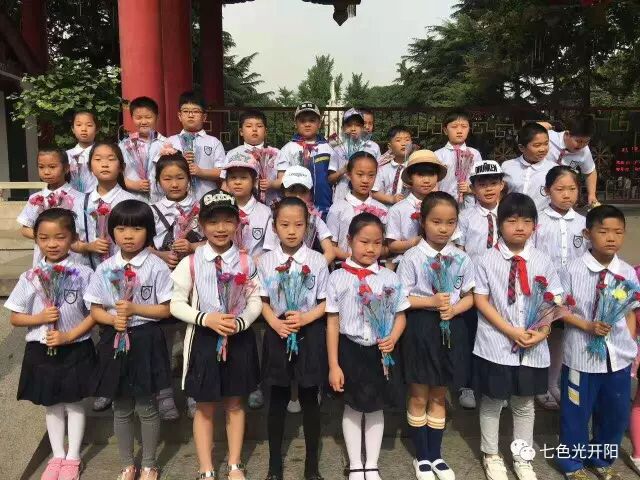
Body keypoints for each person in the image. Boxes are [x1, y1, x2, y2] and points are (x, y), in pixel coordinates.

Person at [170, 189, 263, 480]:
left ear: (237, 223)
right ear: (201, 225)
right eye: (212, 222)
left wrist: (241, 323)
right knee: (205, 406)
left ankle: (234, 464)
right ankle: (206, 467)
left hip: (238, 339)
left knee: (235, 404)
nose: (220, 228)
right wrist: (205, 319)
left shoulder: (246, 262)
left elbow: (255, 300)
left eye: (227, 221)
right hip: (204, 339)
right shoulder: (191, 262)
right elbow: (175, 303)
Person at [473, 192, 563, 480]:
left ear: (535, 225)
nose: (519, 227)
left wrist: (543, 331)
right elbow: (481, 300)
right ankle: (491, 454)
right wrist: (510, 330)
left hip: (533, 346)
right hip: (496, 344)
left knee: (524, 403)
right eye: (512, 221)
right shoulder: (486, 259)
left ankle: (522, 457)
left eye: (526, 221)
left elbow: (553, 300)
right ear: (500, 224)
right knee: (492, 401)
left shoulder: (542, 260)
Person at [84, 200, 173, 480]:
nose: (128, 235)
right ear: (111, 232)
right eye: (121, 229)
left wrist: (136, 309)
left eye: (137, 229)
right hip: (114, 339)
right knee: (121, 406)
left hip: (146, 339)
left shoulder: (156, 267)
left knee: (146, 406)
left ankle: (149, 464)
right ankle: (127, 464)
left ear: (149, 232)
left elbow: (166, 309)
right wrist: (112, 320)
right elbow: (95, 308)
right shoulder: (105, 268)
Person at [5, 208, 96, 480]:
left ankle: (73, 457)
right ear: (36, 239)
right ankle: (57, 456)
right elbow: (15, 317)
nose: (52, 244)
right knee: (52, 404)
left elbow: (95, 313)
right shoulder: (30, 276)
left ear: (73, 239)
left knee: (74, 402)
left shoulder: (83, 274)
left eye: (60, 237)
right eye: (44, 238)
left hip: (75, 347)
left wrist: (69, 335)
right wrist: (40, 318)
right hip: (40, 349)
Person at [398, 192, 475, 480]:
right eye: (436, 222)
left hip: (451, 326)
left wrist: (454, 309)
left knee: (440, 395)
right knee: (419, 394)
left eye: (450, 222)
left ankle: (436, 455)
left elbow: (470, 295)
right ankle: (422, 456)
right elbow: (402, 298)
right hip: (421, 327)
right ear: (423, 222)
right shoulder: (412, 257)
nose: (444, 228)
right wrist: (430, 302)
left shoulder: (461, 258)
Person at [327, 212, 409, 480]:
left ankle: (371, 464)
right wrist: (334, 365)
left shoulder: (389, 278)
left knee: (376, 406)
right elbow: (332, 322)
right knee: (351, 407)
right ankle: (355, 464)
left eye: (377, 243)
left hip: (379, 350)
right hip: (349, 350)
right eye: (364, 242)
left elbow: (400, 315)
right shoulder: (337, 277)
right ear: (349, 240)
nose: (370, 248)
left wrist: (393, 337)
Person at [557, 205, 637, 480]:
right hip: (581, 357)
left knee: (615, 413)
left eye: (618, 232)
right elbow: (560, 310)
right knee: (576, 414)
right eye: (603, 232)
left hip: (618, 359)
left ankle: (602, 459)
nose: (611, 238)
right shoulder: (572, 270)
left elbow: (630, 313)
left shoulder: (627, 272)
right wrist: (587, 326)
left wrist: (630, 346)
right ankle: (572, 463)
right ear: (587, 233)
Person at [257, 197, 329, 480]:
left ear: (307, 226)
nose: (291, 231)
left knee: (311, 399)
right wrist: (275, 322)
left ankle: (311, 467)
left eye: (298, 225)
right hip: (278, 332)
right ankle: (275, 466)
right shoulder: (265, 261)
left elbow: (325, 302)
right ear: (274, 227)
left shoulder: (317, 260)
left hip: (309, 333)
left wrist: (306, 318)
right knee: (277, 399)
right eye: (284, 224)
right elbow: (262, 300)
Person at [150, 152, 204, 421]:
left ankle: (194, 393)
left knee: (192, 336)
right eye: (167, 178)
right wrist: (163, 255)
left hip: (194, 280)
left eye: (180, 177)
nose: (174, 183)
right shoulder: (151, 209)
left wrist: (192, 247)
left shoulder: (201, 208)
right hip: (163, 279)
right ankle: (164, 394)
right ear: (158, 181)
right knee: (164, 339)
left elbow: (216, 240)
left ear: (189, 179)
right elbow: (141, 244)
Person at [533, 166, 587, 411]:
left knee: (560, 340)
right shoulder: (538, 222)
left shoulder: (583, 223)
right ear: (547, 191)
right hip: (542, 292)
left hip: (572, 294)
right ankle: (538, 386)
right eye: (560, 189)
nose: (567, 194)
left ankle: (552, 383)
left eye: (572, 189)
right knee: (540, 336)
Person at [456, 160, 506, 410]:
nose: (488, 189)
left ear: (502, 185)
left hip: (501, 286)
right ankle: (467, 385)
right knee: (470, 334)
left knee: (497, 336)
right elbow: (460, 251)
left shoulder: (508, 214)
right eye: (482, 184)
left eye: (493, 183)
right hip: (474, 287)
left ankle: (494, 386)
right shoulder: (465, 217)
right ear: (473, 188)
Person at [72, 143, 138, 271]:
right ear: (90, 167)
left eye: (111, 159)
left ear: (122, 167)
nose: (104, 164)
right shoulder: (80, 202)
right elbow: (71, 241)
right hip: (87, 271)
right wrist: (88, 247)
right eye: (98, 159)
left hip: (122, 272)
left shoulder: (131, 202)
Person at [18, 146, 85, 267]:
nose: (46, 172)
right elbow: (25, 229)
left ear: (66, 168)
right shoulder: (35, 198)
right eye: (41, 167)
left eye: (52, 167)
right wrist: (45, 237)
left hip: (72, 259)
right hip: (43, 259)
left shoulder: (80, 198)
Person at [264, 165, 335, 265]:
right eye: (292, 191)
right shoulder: (275, 218)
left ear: (310, 194)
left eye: (303, 192)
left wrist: (314, 269)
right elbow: (268, 253)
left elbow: (330, 252)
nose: (297, 196)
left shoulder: (314, 219)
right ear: (283, 192)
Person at [275, 102, 335, 218]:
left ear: (319, 123)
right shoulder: (288, 148)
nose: (307, 124)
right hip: (296, 208)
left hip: (324, 208)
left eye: (312, 120)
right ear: (295, 124)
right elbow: (282, 179)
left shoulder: (329, 148)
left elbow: (333, 178)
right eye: (302, 121)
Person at [326, 151, 388, 263]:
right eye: (360, 174)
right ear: (349, 174)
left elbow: (386, 246)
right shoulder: (337, 209)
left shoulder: (382, 210)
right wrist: (353, 258)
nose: (365, 180)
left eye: (371, 175)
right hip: (345, 266)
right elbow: (331, 246)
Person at [386, 150, 447, 264]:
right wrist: (414, 242)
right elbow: (392, 245)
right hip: (406, 263)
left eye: (431, 174)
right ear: (410, 177)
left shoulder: (443, 207)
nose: (426, 180)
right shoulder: (398, 209)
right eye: (420, 175)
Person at [167, 91, 226, 201]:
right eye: (186, 111)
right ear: (179, 116)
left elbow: (222, 172)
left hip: (207, 199)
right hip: (178, 200)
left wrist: (200, 172)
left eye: (195, 111)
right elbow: (163, 171)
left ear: (204, 117)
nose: (190, 115)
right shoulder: (170, 142)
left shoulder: (214, 142)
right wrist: (180, 162)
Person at [224, 109, 281, 207]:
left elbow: (283, 180)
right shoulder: (232, 154)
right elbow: (225, 183)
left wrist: (271, 183)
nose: (254, 129)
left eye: (259, 126)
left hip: (272, 206)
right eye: (249, 126)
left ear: (266, 131)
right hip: (240, 207)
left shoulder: (276, 153)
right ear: (241, 132)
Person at [222, 155, 275, 260]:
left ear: (255, 182)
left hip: (257, 266)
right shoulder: (220, 210)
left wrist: (250, 263)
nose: (237, 182)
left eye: (243, 177)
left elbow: (270, 249)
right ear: (226, 182)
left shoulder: (265, 212)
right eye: (233, 177)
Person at [119, 96, 168, 202]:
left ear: (157, 117)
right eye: (139, 118)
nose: (144, 121)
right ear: (132, 118)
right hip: (132, 199)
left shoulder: (166, 144)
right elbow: (116, 173)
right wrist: (132, 184)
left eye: (148, 117)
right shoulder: (124, 145)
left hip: (161, 201)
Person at [542, 115, 598, 206]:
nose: (582, 145)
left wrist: (591, 194)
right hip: (541, 188)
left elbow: (590, 171)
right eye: (579, 141)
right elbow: (524, 138)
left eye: (587, 141)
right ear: (567, 134)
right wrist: (537, 126)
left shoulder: (584, 150)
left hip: (563, 195)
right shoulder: (548, 137)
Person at [328, 108, 381, 203]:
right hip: (342, 196)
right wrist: (343, 170)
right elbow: (330, 179)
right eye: (349, 125)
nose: (353, 129)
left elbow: (378, 174)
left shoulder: (373, 147)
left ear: (363, 127)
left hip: (366, 198)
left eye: (358, 125)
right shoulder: (337, 149)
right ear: (343, 128)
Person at [501, 123, 556, 213]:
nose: (543, 149)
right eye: (537, 145)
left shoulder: (554, 169)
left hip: (541, 219)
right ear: (521, 147)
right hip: (512, 217)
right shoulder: (507, 167)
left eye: (546, 144)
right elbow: (501, 194)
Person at [434, 110, 482, 208]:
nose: (459, 131)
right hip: (443, 203)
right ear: (445, 130)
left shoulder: (475, 154)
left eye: (464, 126)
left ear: (469, 129)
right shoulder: (437, 155)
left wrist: (470, 189)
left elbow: (481, 180)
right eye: (454, 127)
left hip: (469, 205)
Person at [372, 126, 415, 206]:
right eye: (398, 140)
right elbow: (374, 192)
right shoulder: (382, 169)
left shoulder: (415, 168)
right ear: (390, 146)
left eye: (407, 140)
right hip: (387, 209)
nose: (404, 144)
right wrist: (391, 199)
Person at [66, 110, 98, 194]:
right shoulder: (66, 155)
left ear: (97, 129)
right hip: (72, 198)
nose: (84, 129)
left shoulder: (102, 154)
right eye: (79, 125)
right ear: (73, 129)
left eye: (89, 125)